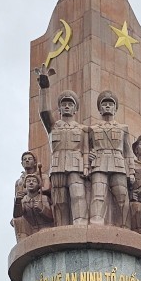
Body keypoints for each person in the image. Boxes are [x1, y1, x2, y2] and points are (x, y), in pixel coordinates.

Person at [36, 70, 88, 226]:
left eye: (69, 104)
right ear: (59, 109)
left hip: (76, 166)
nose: (66, 106)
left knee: (78, 195)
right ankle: (61, 227)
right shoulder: (53, 127)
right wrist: (44, 88)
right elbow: (44, 112)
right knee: (60, 200)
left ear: (75, 109)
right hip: (57, 166)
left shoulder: (83, 129)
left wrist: (86, 166)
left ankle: (80, 224)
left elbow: (86, 150)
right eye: (63, 104)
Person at [86, 89, 132, 226]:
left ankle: (125, 225)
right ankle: (96, 221)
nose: (107, 106)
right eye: (104, 104)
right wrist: (89, 158)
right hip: (98, 163)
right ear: (99, 109)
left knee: (122, 196)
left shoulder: (123, 128)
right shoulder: (92, 129)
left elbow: (128, 152)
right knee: (98, 195)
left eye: (110, 104)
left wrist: (131, 172)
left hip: (118, 164)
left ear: (115, 108)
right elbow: (86, 149)